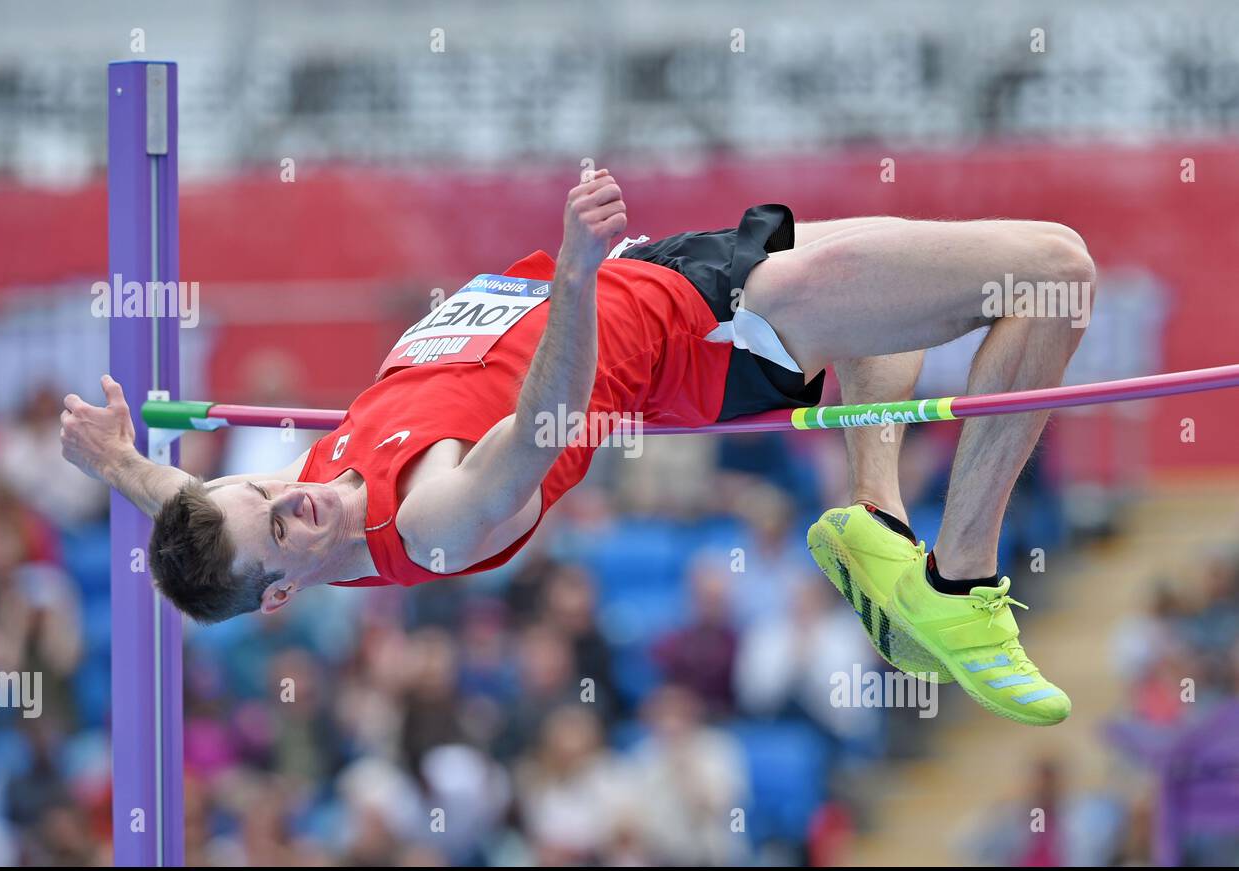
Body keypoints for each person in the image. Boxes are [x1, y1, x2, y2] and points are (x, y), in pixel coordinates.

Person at [60, 169, 1095, 726]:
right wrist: (572, 271)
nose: (299, 495)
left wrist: (121, 465)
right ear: (287, 591)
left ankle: (873, 522)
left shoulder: (268, 514)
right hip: (713, 325)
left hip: (667, 271)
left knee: (912, 297)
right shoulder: (431, 520)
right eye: (283, 524)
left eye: (264, 489)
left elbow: (199, 514)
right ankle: (959, 584)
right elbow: (548, 421)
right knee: (1052, 270)